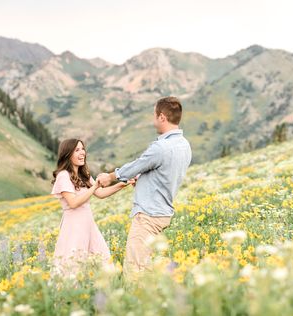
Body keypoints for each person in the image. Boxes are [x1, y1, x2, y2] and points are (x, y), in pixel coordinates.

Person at [97, 96, 192, 279]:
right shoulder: (184, 145)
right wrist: (145, 180)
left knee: (135, 268)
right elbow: (165, 172)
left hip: (148, 215)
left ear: (162, 117)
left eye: (154, 115)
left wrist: (110, 177)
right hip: (163, 212)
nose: (153, 119)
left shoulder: (161, 147)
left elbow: (137, 165)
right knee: (149, 265)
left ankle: (137, 303)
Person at [51, 138, 134, 275]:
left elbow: (100, 193)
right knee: (72, 265)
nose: (82, 152)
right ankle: (69, 294)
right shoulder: (63, 176)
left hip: (89, 225)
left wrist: (122, 184)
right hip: (74, 227)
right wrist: (95, 185)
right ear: (67, 154)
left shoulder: (84, 175)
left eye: (83, 149)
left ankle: (106, 290)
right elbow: (73, 203)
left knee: (103, 259)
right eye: (77, 150)